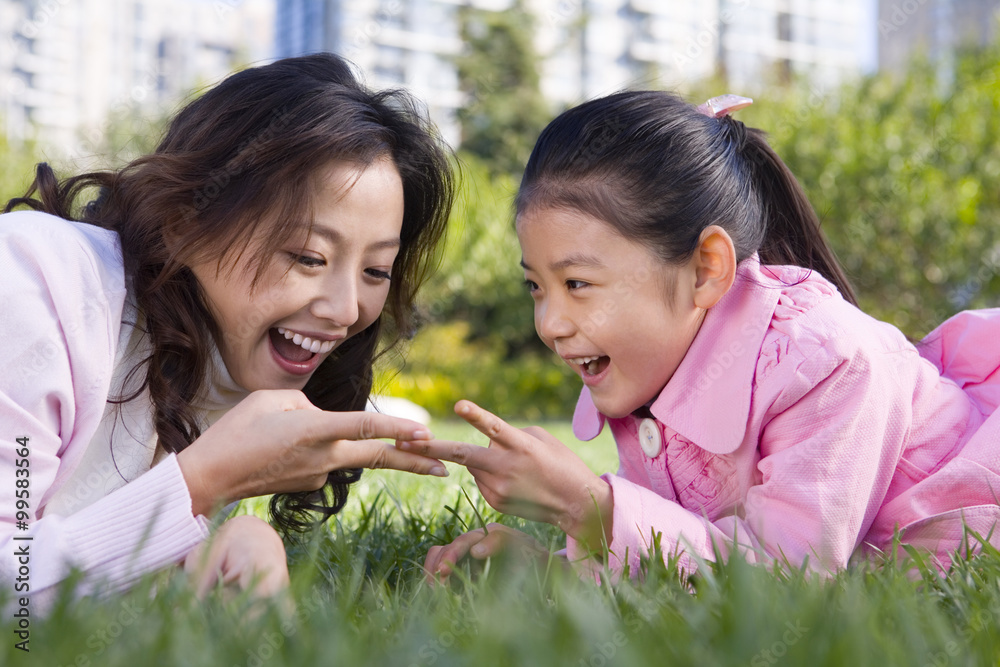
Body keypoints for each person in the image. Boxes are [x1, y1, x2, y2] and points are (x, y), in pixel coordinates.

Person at [410, 91, 1000, 582]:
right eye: (537, 287)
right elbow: (683, 555)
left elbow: (785, 580)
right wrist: (548, 570)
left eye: (578, 283)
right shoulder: (650, 363)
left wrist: (586, 506)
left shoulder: (827, 361)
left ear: (706, 268)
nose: (550, 324)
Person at [0, 52, 453, 605]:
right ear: (186, 224)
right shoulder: (32, 282)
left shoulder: (221, 364)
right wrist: (205, 481)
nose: (346, 310)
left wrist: (232, 548)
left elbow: (92, 579)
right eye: (308, 256)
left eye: (376, 271)